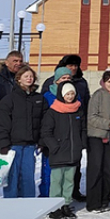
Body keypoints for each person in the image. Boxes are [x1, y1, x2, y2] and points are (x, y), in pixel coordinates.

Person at [0, 65, 46, 199]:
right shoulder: (9, 100)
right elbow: (2, 123)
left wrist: (41, 140)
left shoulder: (39, 99)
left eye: (31, 76)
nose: (29, 79)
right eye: (26, 76)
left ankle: (27, 204)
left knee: (28, 176)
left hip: (30, 145)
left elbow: (45, 122)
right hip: (13, 145)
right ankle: (11, 204)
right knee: (12, 177)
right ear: (19, 79)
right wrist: (3, 143)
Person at [41, 82, 86, 219]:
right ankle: (54, 207)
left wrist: (81, 143)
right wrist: (54, 146)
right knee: (56, 181)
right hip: (58, 152)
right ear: (61, 94)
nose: (70, 96)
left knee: (69, 181)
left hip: (73, 152)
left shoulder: (78, 110)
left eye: (72, 94)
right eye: (67, 94)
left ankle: (66, 204)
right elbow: (46, 132)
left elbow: (83, 129)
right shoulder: (53, 111)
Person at [86, 70, 110, 213]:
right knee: (96, 169)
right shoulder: (97, 95)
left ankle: (105, 198)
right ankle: (93, 202)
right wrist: (109, 124)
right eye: (109, 82)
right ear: (103, 82)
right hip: (96, 136)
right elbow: (92, 117)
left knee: (107, 169)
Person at [39, 66, 73, 198]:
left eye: (68, 78)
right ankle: (46, 197)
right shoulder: (48, 96)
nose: (66, 80)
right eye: (63, 78)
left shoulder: (75, 95)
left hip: (68, 140)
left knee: (66, 173)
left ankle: (62, 200)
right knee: (49, 172)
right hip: (51, 140)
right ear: (57, 80)